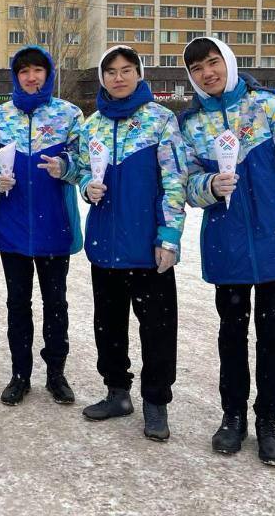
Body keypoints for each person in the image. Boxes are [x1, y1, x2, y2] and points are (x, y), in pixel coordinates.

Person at [179, 36, 275, 466]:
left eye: (213, 63)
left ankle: (268, 419)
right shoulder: (191, 124)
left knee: (274, 335)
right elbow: (186, 184)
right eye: (197, 69)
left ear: (228, 62)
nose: (207, 73)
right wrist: (208, 186)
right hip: (226, 246)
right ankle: (233, 416)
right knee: (231, 335)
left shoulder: (270, 107)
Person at [76, 46, 186, 441]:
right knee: (108, 326)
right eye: (111, 71)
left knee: (157, 330)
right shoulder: (93, 125)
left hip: (148, 248)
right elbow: (84, 172)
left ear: (139, 74)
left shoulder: (161, 120)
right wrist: (87, 188)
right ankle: (117, 392)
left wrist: (168, 237)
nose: (118, 77)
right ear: (102, 78)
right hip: (105, 246)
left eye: (126, 70)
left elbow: (175, 182)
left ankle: (156, 402)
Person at [0, 45, 84, 407]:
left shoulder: (69, 114)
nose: (31, 77)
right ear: (15, 76)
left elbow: (85, 163)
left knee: (56, 303)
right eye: (24, 71)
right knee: (17, 304)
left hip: (54, 224)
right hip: (12, 226)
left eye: (38, 70)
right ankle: (19, 375)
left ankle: (56, 373)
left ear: (48, 74)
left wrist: (65, 167)